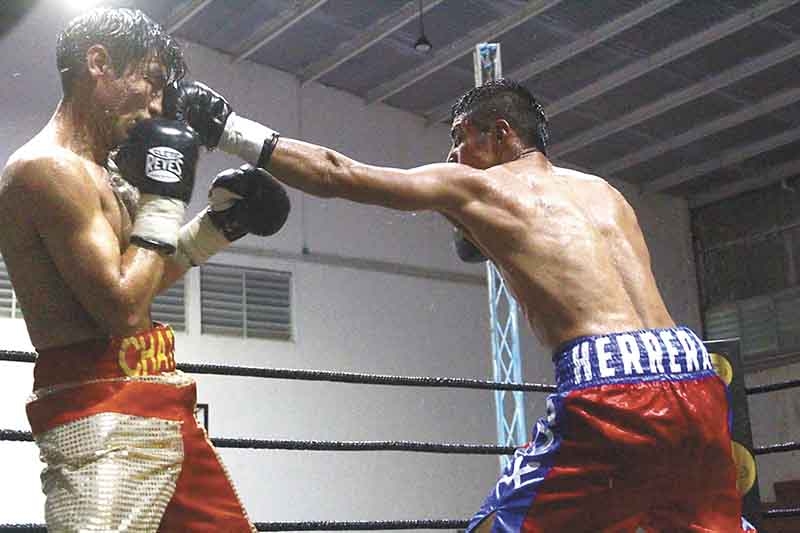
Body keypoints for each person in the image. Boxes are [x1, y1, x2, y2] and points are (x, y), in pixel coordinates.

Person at [164, 78, 755, 532]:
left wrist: (225, 127)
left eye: (459, 138)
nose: (451, 156)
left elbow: (339, 173)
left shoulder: (478, 186)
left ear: (499, 133)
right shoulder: (604, 192)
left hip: (612, 392)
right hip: (696, 379)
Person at [0, 8, 289, 532]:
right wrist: (165, 193)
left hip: (158, 390)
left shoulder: (105, 172)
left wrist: (215, 229)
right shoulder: (45, 171)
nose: (158, 106)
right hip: (98, 409)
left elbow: (141, 277)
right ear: (99, 64)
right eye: (152, 83)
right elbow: (122, 307)